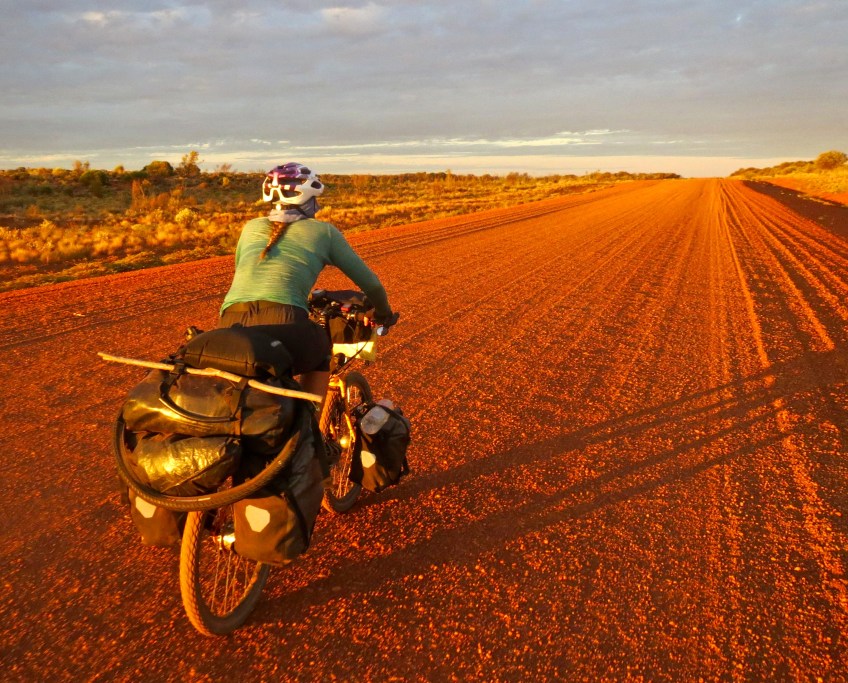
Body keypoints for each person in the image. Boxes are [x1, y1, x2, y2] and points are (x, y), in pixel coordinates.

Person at [218, 162, 397, 405]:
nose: (318, 206)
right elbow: (372, 285)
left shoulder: (250, 227)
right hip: (286, 320)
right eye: (316, 200)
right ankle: (310, 419)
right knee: (321, 353)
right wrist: (383, 313)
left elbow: (247, 273)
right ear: (307, 199)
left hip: (230, 322)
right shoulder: (324, 232)